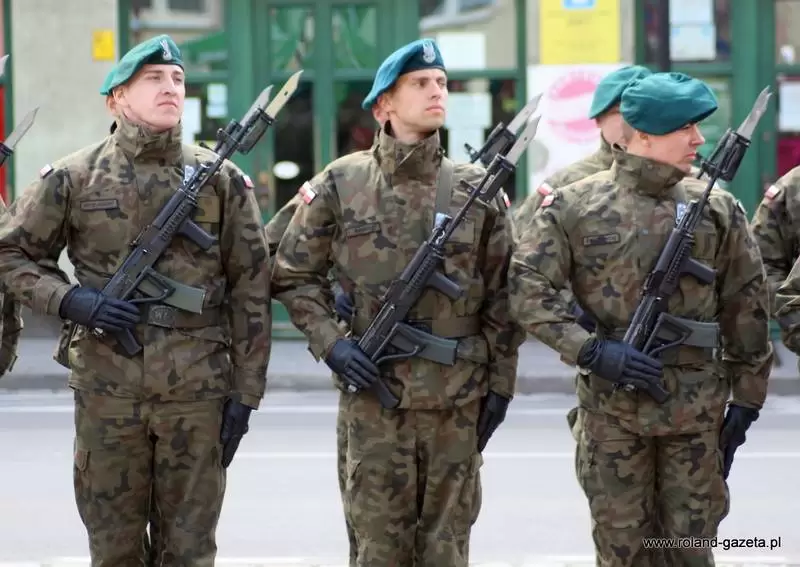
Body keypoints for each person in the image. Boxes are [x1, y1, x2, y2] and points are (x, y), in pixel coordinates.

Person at [0, 34, 272, 566]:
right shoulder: (74, 177)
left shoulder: (222, 181)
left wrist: (246, 394)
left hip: (197, 393)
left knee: (189, 552)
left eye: (178, 79)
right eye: (154, 79)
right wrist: (71, 300)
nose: (171, 87)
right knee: (114, 551)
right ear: (117, 99)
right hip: (108, 392)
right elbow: (11, 255)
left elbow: (252, 290)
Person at [271, 38, 523, 565]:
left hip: (456, 404)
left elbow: (506, 297)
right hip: (373, 404)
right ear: (384, 105)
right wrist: (333, 345)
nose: (436, 92)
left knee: (446, 552)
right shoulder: (342, 182)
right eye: (420, 83)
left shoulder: (476, 190)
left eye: (442, 83)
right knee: (377, 552)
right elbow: (293, 275)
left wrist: (500, 387)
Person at [507, 72, 772, 566]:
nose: (698, 139)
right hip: (612, 414)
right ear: (645, 134)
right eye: (685, 127)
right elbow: (526, 288)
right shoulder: (574, 204)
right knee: (623, 552)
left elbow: (748, 308)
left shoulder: (717, 208)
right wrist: (589, 349)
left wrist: (747, 400)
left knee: (690, 551)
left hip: (695, 416)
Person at [263, 104, 385, 567]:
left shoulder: (459, 187)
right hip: (370, 380)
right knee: (374, 542)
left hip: (448, 392)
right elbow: (276, 252)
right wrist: (331, 319)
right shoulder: (341, 180)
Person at [512, 65, 651, 231]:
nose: (631, 122)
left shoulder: (674, 180)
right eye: (619, 112)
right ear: (598, 118)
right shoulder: (565, 183)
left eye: (642, 112)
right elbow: (519, 237)